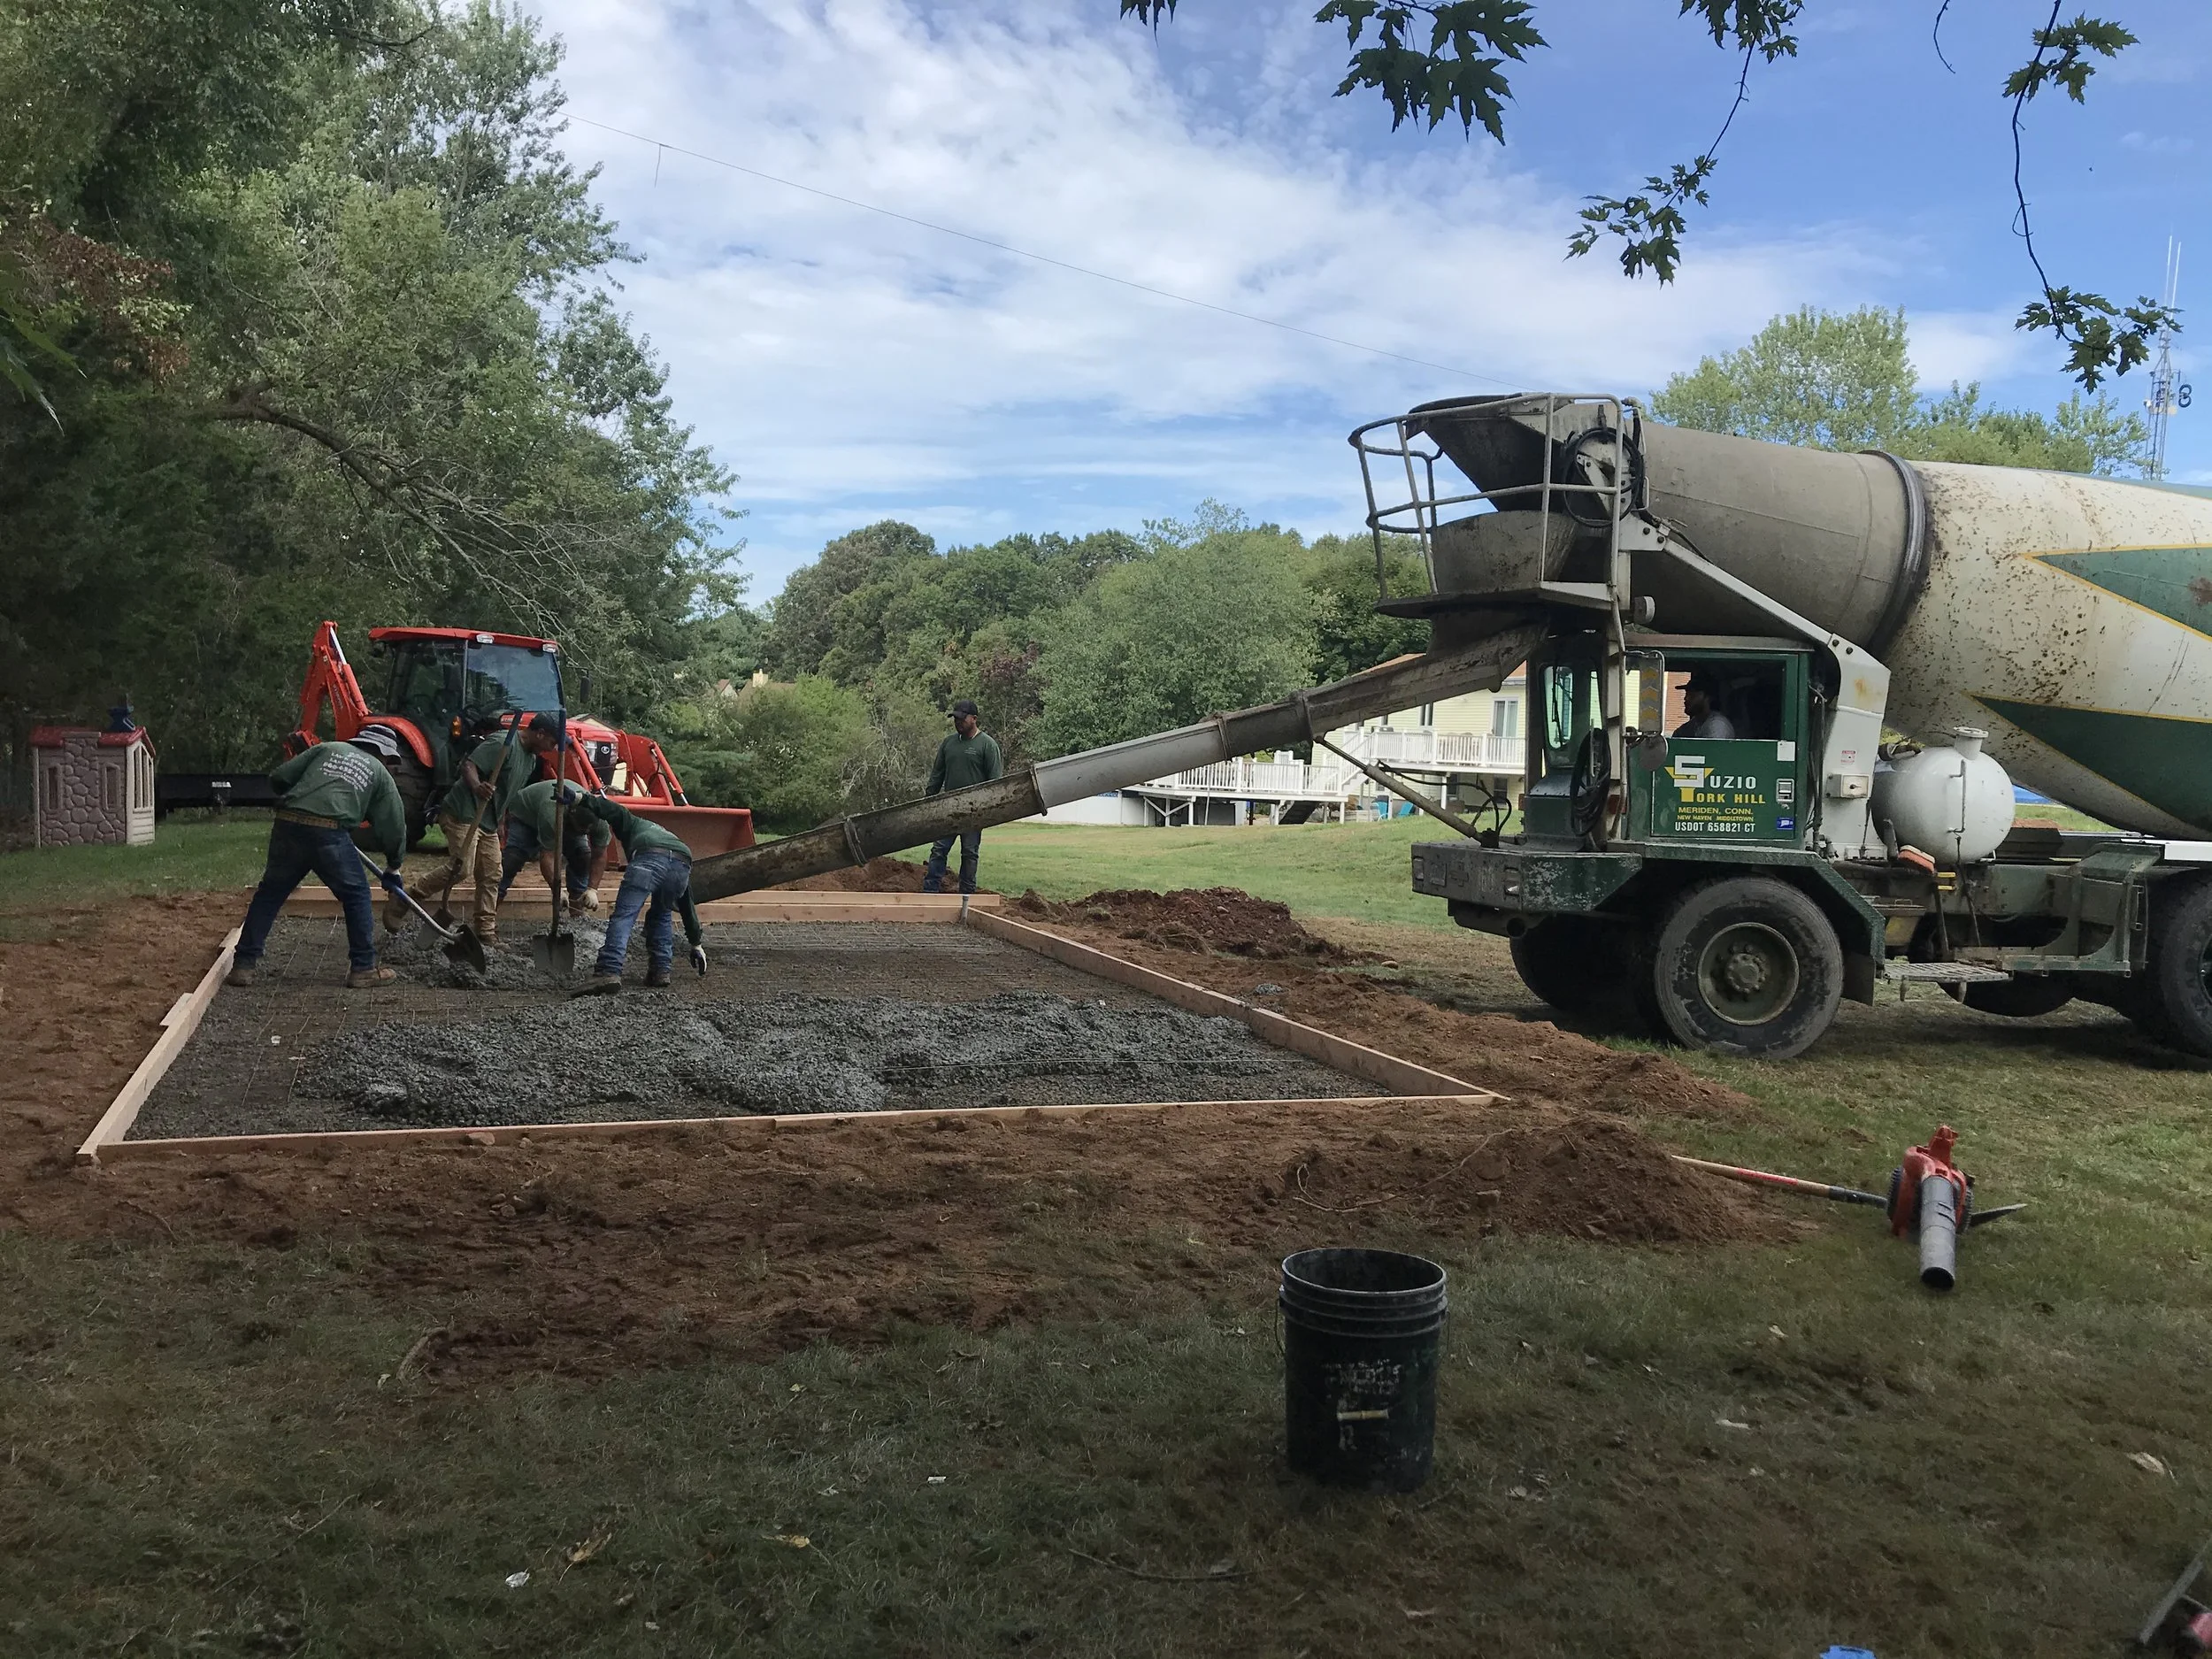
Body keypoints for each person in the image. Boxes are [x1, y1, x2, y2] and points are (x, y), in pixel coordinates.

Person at [227, 737, 407, 989]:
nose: (389, 764)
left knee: (269, 894)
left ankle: (243, 966)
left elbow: (278, 777)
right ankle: (364, 968)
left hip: (288, 822)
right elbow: (394, 826)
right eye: (390, 760)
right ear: (383, 754)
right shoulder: (379, 772)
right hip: (327, 833)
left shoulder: (327, 748)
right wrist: (394, 866)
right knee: (357, 895)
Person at [393, 714, 554, 943]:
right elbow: (469, 764)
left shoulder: (530, 759)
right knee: (461, 868)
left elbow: (507, 792)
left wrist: (500, 821)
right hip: (462, 813)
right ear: (540, 734)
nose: (552, 748)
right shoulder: (502, 743)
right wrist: (478, 787)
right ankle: (405, 899)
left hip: (487, 820)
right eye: (552, 743)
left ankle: (485, 931)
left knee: (492, 874)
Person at [528, 784, 695, 994]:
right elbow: (686, 900)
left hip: (649, 858)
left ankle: (608, 970)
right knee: (662, 914)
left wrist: (580, 798)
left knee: (624, 917)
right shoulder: (667, 836)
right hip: (683, 863)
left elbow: (613, 809)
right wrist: (696, 942)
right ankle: (661, 970)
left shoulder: (633, 823)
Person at [922, 698, 1003, 895]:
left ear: (973, 719)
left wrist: (989, 809)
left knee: (969, 852)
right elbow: (937, 774)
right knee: (939, 849)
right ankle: (931, 890)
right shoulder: (948, 743)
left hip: (974, 811)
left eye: (961, 719)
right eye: (955, 719)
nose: (957, 722)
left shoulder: (987, 745)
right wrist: (928, 799)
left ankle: (967, 893)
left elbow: (995, 783)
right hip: (948, 809)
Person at [1674, 672, 1738, 741]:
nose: (1686, 698)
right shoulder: (1695, 723)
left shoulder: (1717, 725)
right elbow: (1677, 736)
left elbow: (1709, 750)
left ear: (1708, 698)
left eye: (1693, 695)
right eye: (1687, 694)